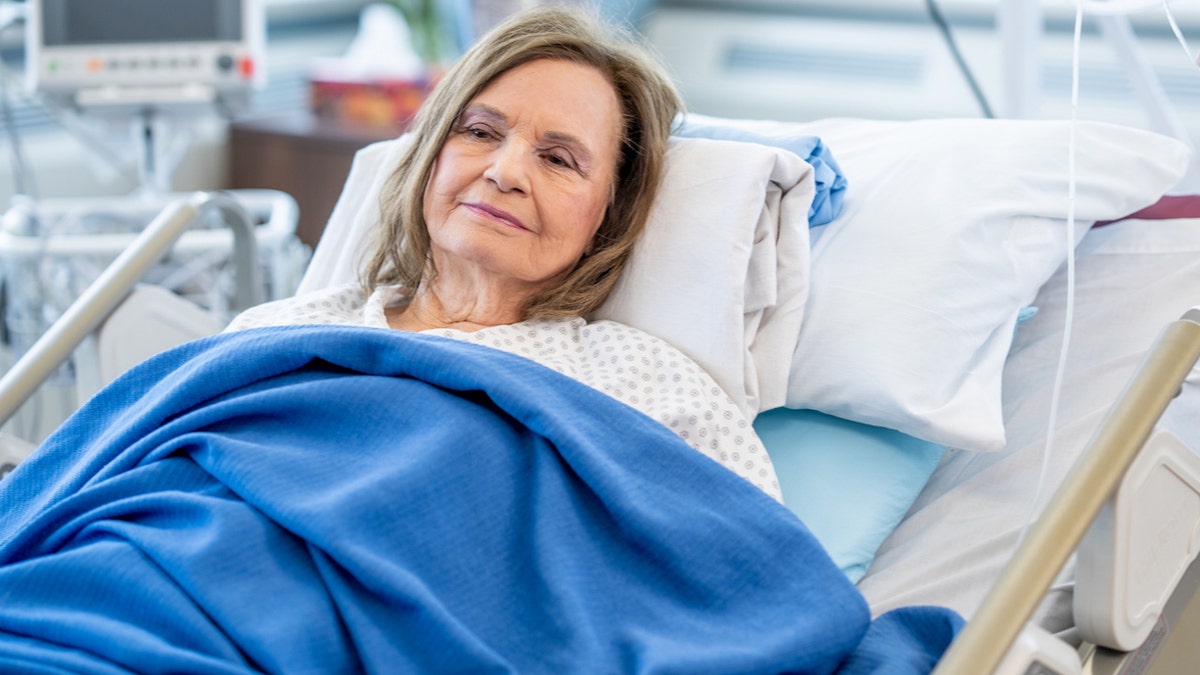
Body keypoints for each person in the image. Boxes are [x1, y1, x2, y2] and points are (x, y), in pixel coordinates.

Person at [227, 5, 781, 499]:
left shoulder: (651, 387)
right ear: (430, 156)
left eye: (559, 159)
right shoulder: (275, 332)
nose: (504, 171)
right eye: (480, 132)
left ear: (609, 215)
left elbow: (758, 571)